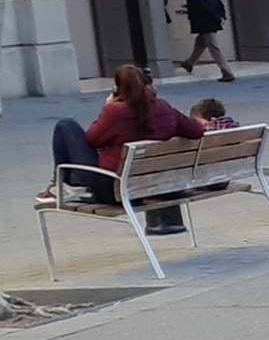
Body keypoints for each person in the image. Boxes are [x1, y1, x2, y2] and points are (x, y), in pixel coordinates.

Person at [46, 67, 206, 230]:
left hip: (114, 188)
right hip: (152, 185)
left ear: (117, 88)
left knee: (66, 125)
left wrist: (108, 107)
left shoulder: (115, 111)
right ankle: (68, 184)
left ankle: (60, 183)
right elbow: (196, 131)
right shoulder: (164, 107)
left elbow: (92, 140)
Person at [172, 0, 236, 82]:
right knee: (200, 43)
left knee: (213, 46)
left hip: (204, 21)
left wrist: (215, 18)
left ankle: (226, 71)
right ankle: (189, 63)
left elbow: (202, 6)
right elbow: (218, 3)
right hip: (211, 21)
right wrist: (221, 17)